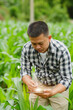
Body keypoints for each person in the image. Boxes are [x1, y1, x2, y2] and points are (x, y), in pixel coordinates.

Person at [20, 21, 72, 110]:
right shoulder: (27, 48)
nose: (37, 47)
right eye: (34, 44)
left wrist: (52, 91)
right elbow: (24, 71)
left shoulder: (61, 50)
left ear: (49, 38)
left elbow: (67, 79)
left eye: (40, 43)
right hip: (39, 84)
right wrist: (28, 82)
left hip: (58, 86)